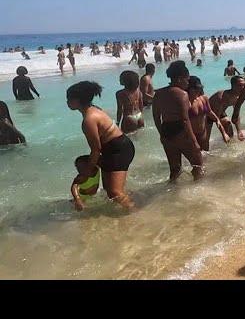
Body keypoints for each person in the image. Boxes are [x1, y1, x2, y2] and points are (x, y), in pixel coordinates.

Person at [66, 81, 135, 210]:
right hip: (114, 148)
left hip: (118, 150)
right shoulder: (94, 109)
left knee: (115, 192)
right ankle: (129, 208)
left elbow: (96, 150)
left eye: (69, 98)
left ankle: (136, 213)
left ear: (78, 100)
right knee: (109, 192)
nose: (67, 102)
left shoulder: (89, 120)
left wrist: (87, 172)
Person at [152, 61, 204, 181]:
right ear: (180, 79)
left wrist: (162, 134)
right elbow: (185, 120)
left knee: (175, 170)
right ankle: (199, 192)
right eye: (187, 79)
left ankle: (172, 194)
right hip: (180, 131)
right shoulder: (182, 94)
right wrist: (194, 141)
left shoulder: (158, 93)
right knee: (198, 165)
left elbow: (156, 117)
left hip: (166, 130)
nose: (188, 82)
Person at [187, 75, 229, 151]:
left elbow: (213, 116)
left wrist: (224, 133)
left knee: (205, 157)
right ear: (188, 89)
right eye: (195, 89)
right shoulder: (185, 103)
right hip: (191, 136)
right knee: (196, 160)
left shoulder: (204, 98)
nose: (198, 91)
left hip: (203, 134)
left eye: (199, 88)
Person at [208, 75, 245, 141]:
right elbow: (216, 117)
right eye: (240, 85)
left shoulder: (238, 97)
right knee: (205, 139)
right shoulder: (222, 97)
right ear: (233, 86)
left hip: (220, 112)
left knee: (229, 132)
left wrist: (239, 131)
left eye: (244, 85)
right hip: (207, 114)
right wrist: (223, 134)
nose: (243, 88)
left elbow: (236, 114)